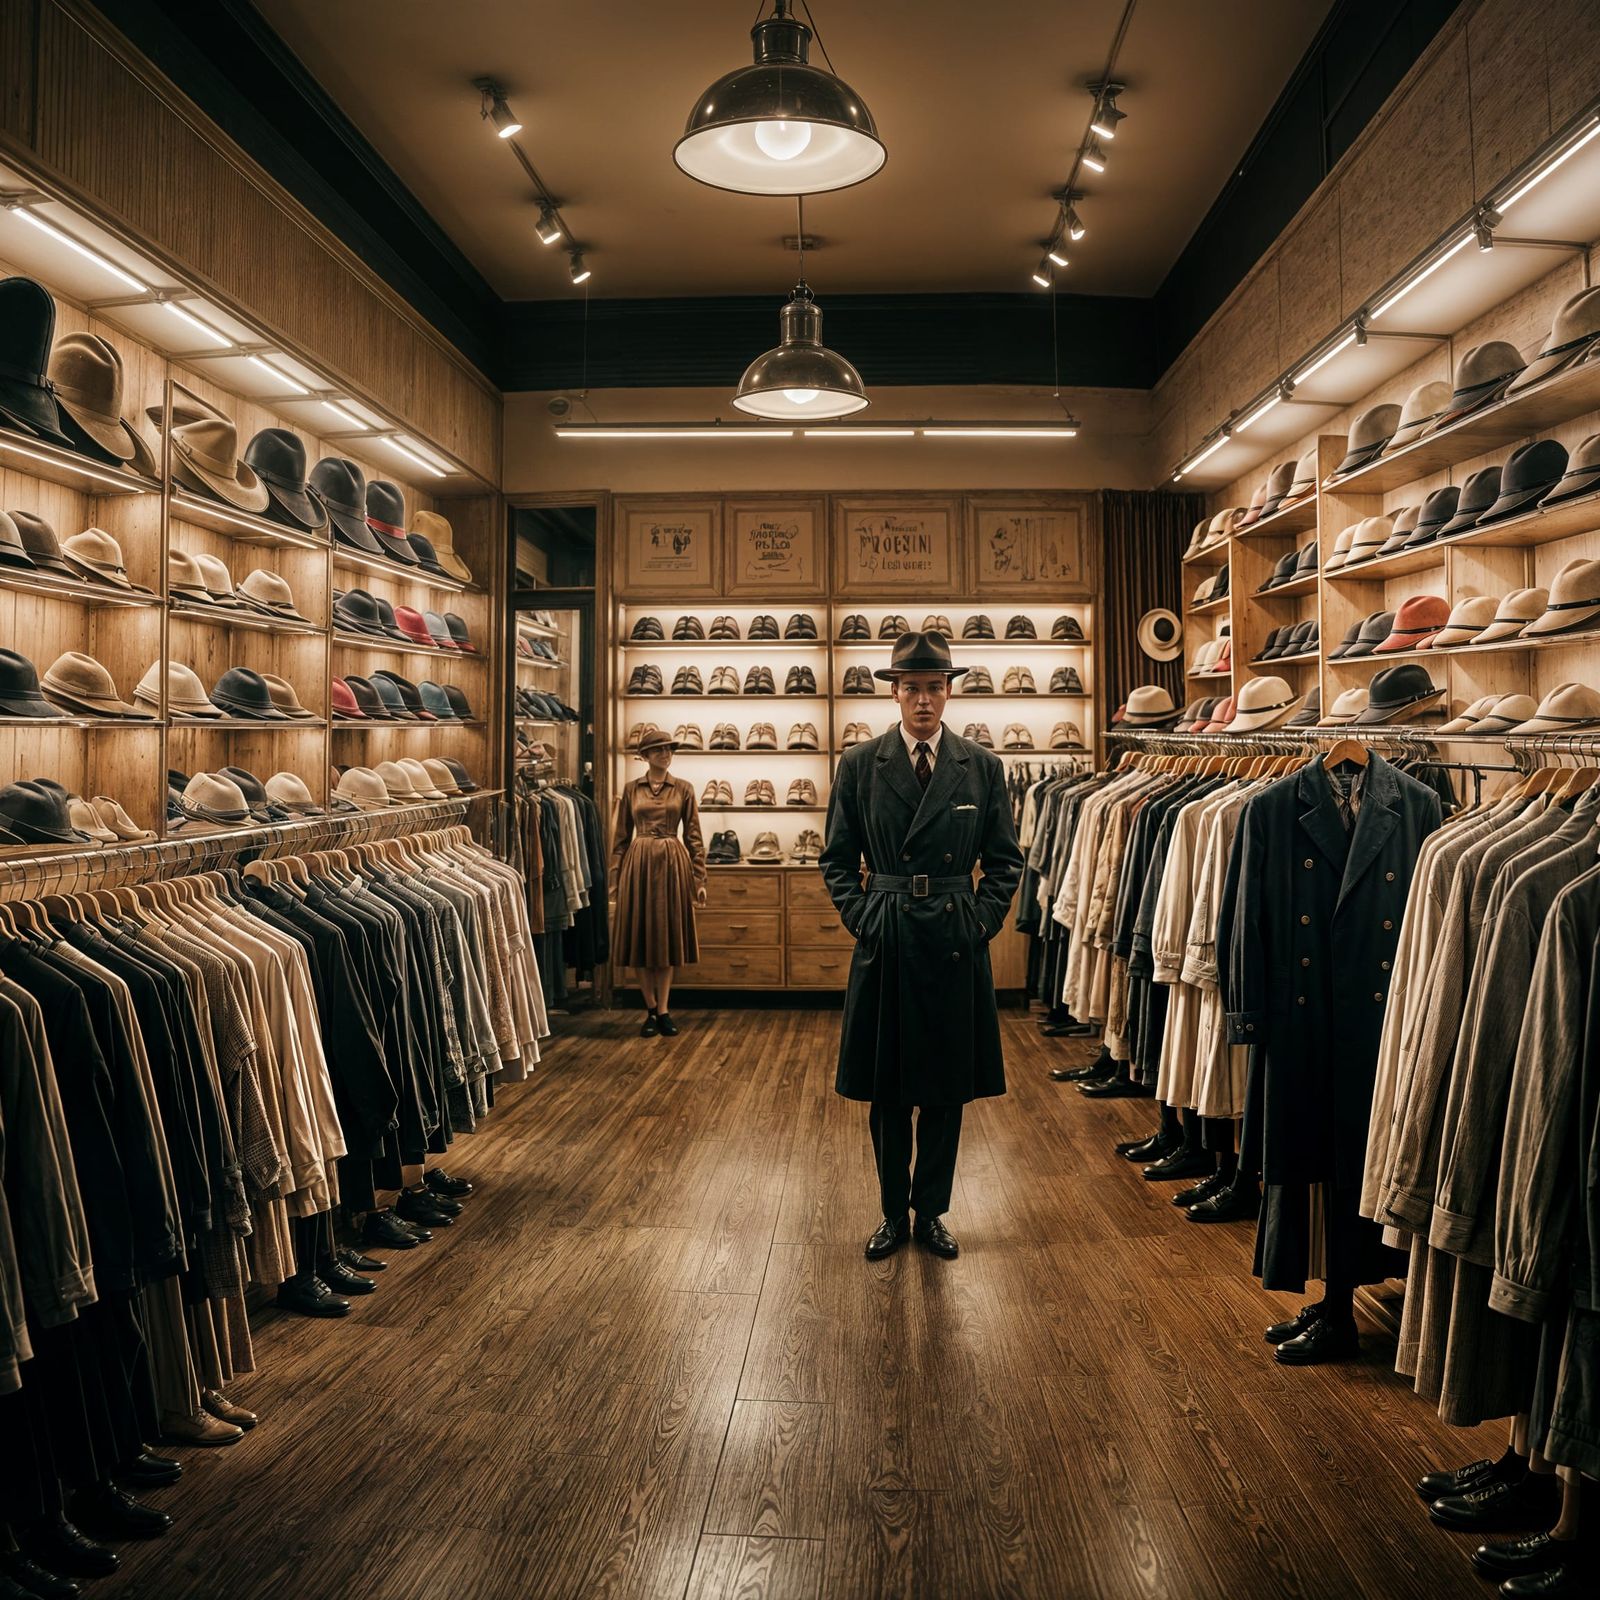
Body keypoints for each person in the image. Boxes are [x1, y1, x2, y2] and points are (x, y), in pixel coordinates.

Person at [820, 629, 1023, 1261]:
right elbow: (835, 860)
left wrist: (976, 921)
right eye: (912, 688)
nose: (924, 701)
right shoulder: (860, 765)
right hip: (888, 936)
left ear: (949, 691)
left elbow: (1005, 863)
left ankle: (931, 1211)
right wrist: (868, 917)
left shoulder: (981, 767)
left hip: (952, 940)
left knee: (943, 1087)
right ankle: (890, 1212)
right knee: (887, 1089)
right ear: (895, 694)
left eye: (935, 687)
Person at [610, 725, 707, 1036]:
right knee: (639, 936)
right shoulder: (630, 789)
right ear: (646, 756)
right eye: (659, 750)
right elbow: (621, 837)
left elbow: (694, 836)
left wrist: (699, 878)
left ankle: (664, 1009)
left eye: (669, 749)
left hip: (671, 862)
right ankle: (649, 1008)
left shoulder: (684, 788)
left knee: (666, 938)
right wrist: (614, 880)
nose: (666, 754)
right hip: (637, 863)